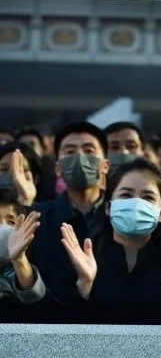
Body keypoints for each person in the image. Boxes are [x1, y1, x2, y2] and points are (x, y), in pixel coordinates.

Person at [58, 159, 161, 324]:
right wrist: (84, 287)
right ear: (108, 207)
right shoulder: (82, 262)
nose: (136, 204)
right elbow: (61, 331)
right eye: (125, 195)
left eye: (148, 198)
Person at [29, 122, 110, 320]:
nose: (80, 157)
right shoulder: (37, 219)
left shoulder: (120, 216)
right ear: (57, 168)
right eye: (70, 151)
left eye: (89, 150)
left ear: (105, 165)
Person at [0, 191, 46, 321]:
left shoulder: (35, 265)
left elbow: (37, 301)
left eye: (11, 222)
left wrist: (18, 260)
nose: (3, 226)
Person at [0, 142, 43, 206]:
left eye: (22, 170)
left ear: (36, 178)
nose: (14, 175)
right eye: (4, 169)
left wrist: (26, 202)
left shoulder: (47, 213)